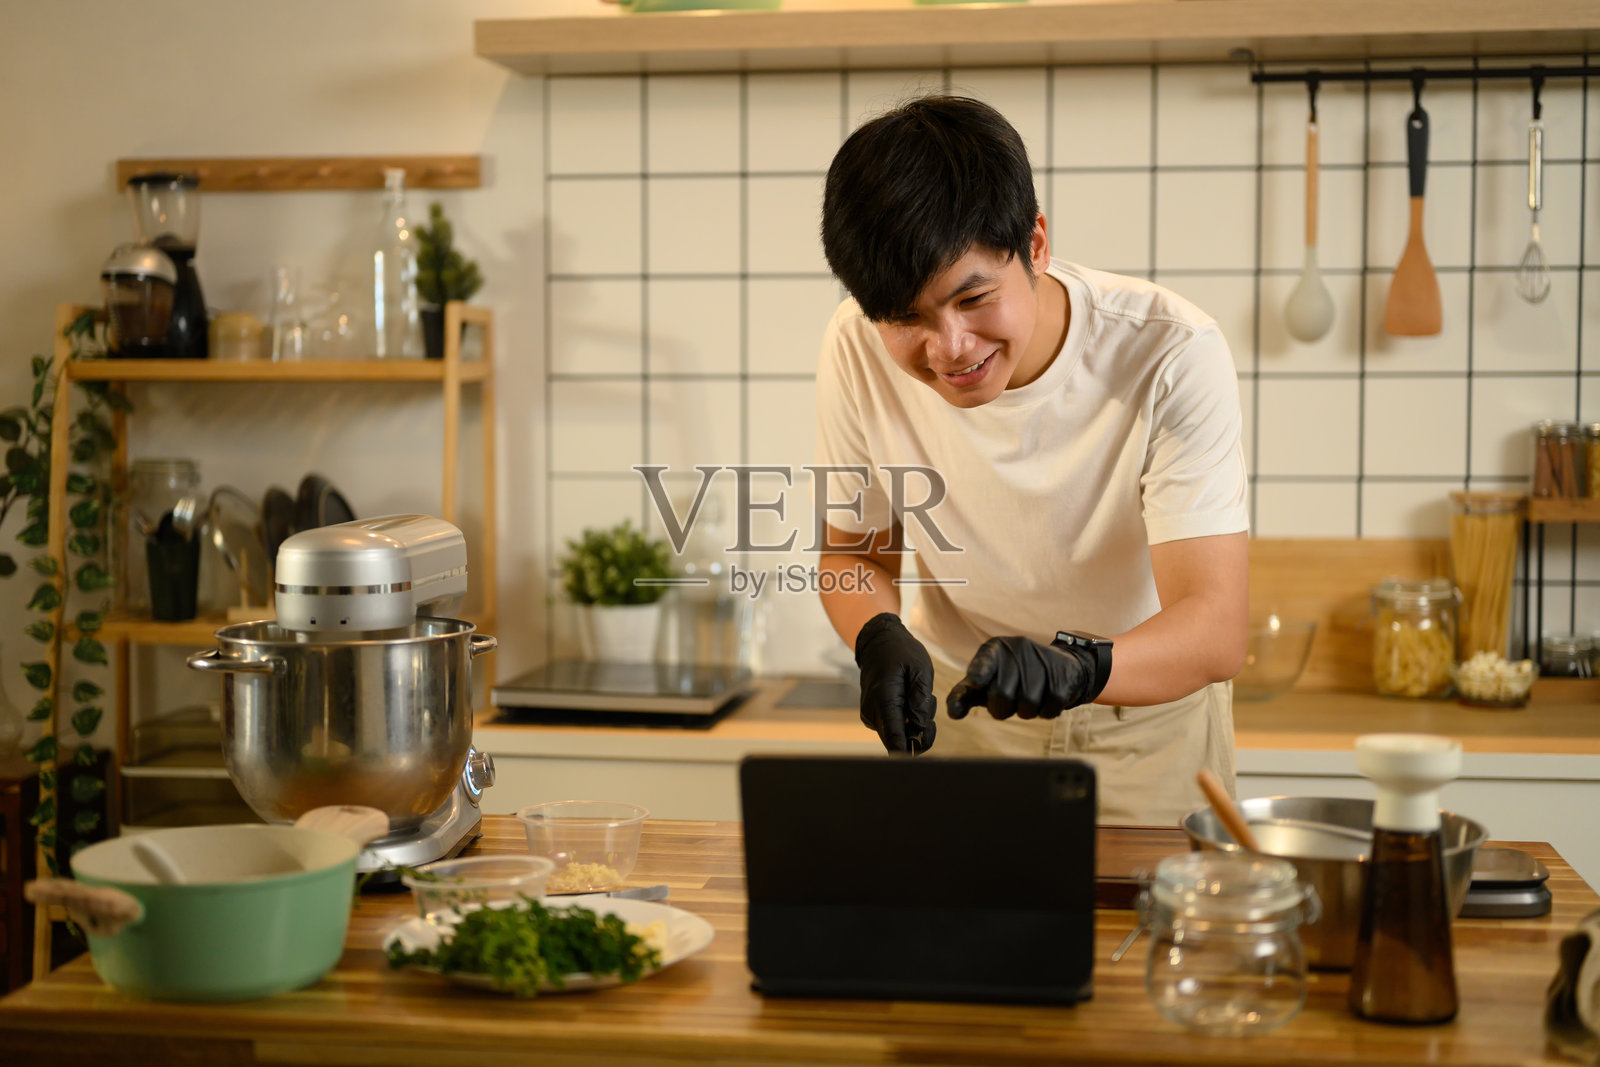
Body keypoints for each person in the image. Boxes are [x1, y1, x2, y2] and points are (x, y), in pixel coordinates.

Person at [812, 95, 1249, 825]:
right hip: (966, 723)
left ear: (1036, 245)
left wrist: (1081, 667)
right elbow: (854, 555)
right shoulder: (854, 343)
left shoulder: (1171, 351)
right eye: (905, 319)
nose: (948, 346)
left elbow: (1214, 625)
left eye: (973, 298)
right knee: (959, 941)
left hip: (1148, 729)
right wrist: (877, 634)